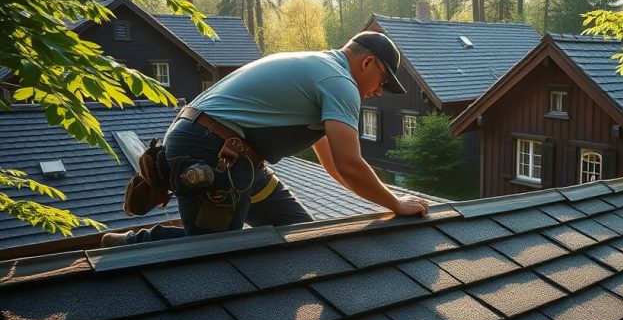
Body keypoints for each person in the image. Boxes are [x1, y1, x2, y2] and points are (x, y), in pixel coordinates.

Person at [102, 31, 429, 247]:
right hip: (214, 151)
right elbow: (350, 164)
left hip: (231, 154)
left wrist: (374, 200)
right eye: (382, 82)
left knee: (297, 234)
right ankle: (127, 247)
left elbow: (335, 165)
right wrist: (396, 204)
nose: (376, 92)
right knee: (211, 253)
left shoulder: (319, 69)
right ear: (367, 62)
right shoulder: (340, 81)